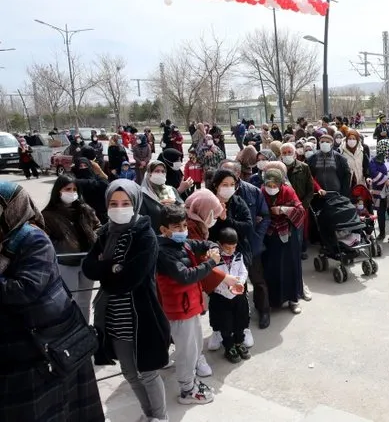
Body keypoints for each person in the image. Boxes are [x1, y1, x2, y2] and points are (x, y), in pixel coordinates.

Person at [0, 181, 105, 422]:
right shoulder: (12, 235)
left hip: (47, 339)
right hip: (18, 345)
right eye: (66, 188)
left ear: (12, 207)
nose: (71, 193)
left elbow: (25, 289)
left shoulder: (33, 238)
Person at [82, 180, 170, 422]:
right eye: (113, 203)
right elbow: (88, 268)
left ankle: (160, 418)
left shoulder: (145, 235)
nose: (119, 208)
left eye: (125, 203)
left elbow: (130, 279)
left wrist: (105, 267)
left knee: (148, 372)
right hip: (114, 318)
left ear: (136, 203)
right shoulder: (104, 233)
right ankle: (148, 414)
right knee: (130, 372)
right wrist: (115, 267)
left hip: (141, 317)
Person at [157, 204, 234, 404]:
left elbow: (205, 244)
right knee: (186, 352)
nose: (182, 231)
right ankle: (187, 390)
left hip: (190, 306)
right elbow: (185, 276)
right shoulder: (164, 253)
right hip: (179, 310)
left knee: (195, 346)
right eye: (176, 227)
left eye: (184, 225)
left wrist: (214, 249)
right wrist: (210, 263)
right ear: (164, 230)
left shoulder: (185, 244)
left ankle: (190, 381)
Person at [217, 160, 273, 327]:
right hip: (224, 248)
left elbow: (265, 217)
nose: (226, 181)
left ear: (238, 174)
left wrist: (257, 237)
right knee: (228, 283)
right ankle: (232, 321)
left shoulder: (252, 192)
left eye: (229, 175)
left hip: (249, 244)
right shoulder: (216, 194)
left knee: (257, 279)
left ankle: (263, 310)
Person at [41, 175, 100, 321]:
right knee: (69, 300)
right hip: (66, 263)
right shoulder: (47, 215)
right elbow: (44, 240)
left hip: (87, 261)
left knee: (85, 301)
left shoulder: (85, 209)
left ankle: (85, 329)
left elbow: (98, 227)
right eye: (68, 189)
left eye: (74, 189)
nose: (72, 192)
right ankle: (72, 333)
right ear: (58, 191)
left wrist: (93, 236)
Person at [260, 167, 307, 314]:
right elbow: (255, 210)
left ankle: (293, 299)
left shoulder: (288, 192)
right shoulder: (260, 192)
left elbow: (300, 211)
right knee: (270, 268)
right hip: (268, 235)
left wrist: (283, 209)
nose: (271, 189)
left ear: (281, 184)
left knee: (290, 267)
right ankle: (273, 301)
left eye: (275, 186)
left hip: (287, 235)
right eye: (269, 186)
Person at [209, 227, 252, 363]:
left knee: (240, 320)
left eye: (234, 247)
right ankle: (229, 346)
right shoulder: (214, 260)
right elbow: (213, 278)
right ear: (220, 244)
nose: (231, 251)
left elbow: (243, 272)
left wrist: (240, 281)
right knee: (225, 324)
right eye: (228, 248)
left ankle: (239, 342)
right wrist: (225, 285)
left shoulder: (238, 257)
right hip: (221, 297)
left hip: (238, 296)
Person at [369, 139, 389, 242]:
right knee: (381, 213)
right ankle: (382, 233)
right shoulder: (374, 160)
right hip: (379, 191)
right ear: (384, 148)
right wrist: (385, 179)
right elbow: (373, 173)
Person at [140, 161, 183, 232]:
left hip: (175, 234)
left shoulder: (171, 190)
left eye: (163, 171)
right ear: (149, 174)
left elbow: (184, 209)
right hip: (155, 237)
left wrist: (175, 204)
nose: (161, 174)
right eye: (157, 171)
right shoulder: (143, 195)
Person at [307, 133, 352, 197]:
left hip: (335, 193)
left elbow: (347, 176)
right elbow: (309, 176)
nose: (325, 143)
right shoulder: (312, 158)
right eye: (322, 142)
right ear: (319, 143)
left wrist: (344, 193)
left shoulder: (339, 158)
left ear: (332, 144)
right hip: (318, 193)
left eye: (328, 142)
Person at [73, 157, 110, 224]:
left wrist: (99, 170)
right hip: (83, 217)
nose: (83, 168)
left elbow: (107, 185)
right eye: (80, 166)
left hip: (101, 215)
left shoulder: (97, 177)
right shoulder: (74, 181)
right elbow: (78, 182)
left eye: (85, 165)